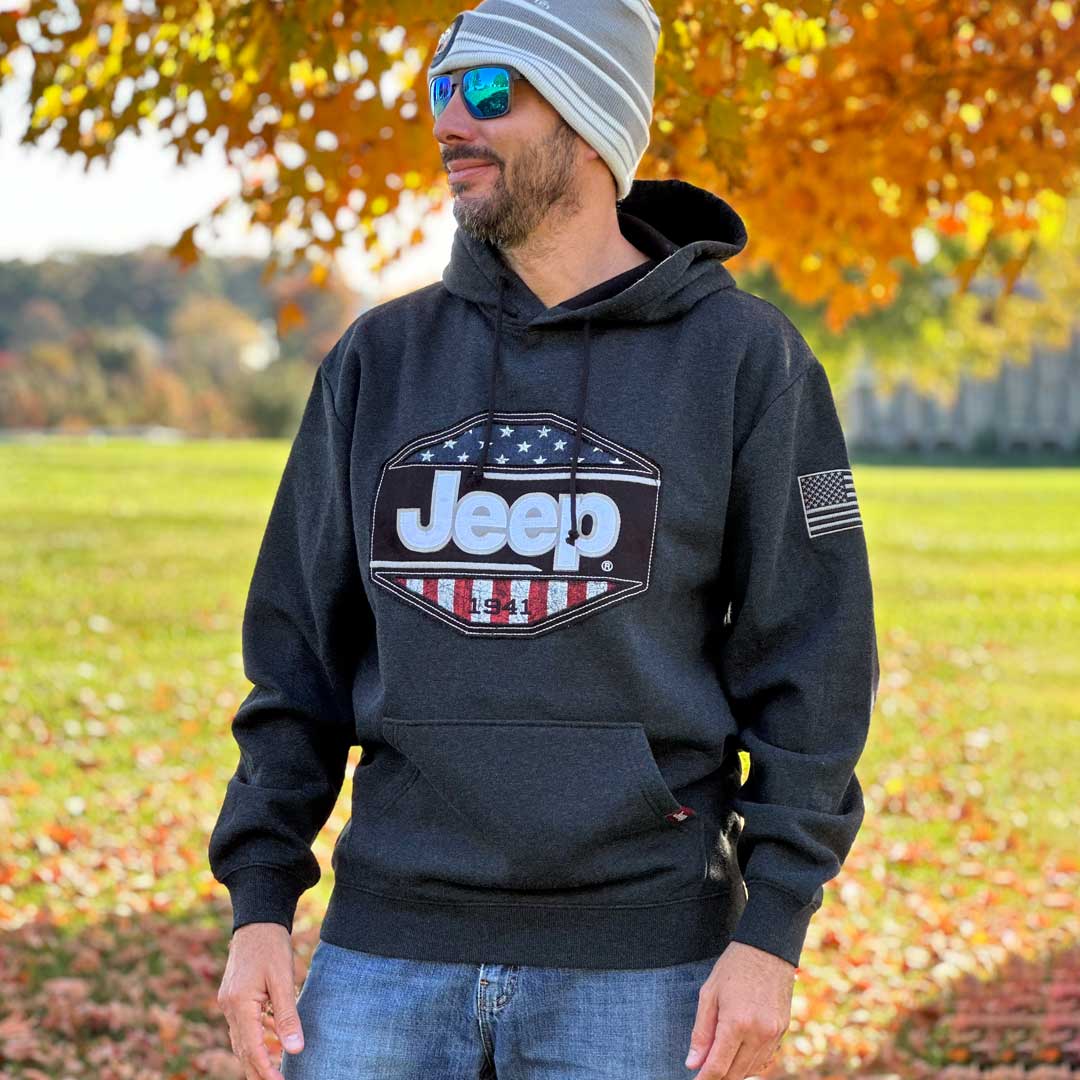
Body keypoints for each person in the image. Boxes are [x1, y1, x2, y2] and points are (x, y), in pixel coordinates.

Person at [209, 1, 880, 1077]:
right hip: (386, 951)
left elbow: (816, 664)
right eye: (439, 92)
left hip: (644, 966)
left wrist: (774, 933)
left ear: (590, 117)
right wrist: (258, 903)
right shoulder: (381, 359)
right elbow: (296, 659)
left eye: (487, 93)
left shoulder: (745, 362)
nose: (449, 124)